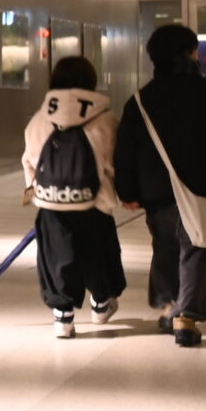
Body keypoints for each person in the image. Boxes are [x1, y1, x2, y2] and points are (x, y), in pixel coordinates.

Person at [116, 23, 206, 348]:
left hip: (157, 191)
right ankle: (186, 318)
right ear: (191, 53)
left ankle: (167, 306)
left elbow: (125, 151)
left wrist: (128, 192)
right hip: (202, 187)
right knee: (195, 252)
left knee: (165, 246)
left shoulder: (140, 100)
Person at [21, 55, 125, 338]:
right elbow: (114, 164)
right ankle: (101, 304)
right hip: (95, 205)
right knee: (99, 254)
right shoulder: (105, 119)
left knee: (57, 258)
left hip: (51, 205)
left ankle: (63, 317)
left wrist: (37, 190)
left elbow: (29, 161)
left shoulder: (39, 119)